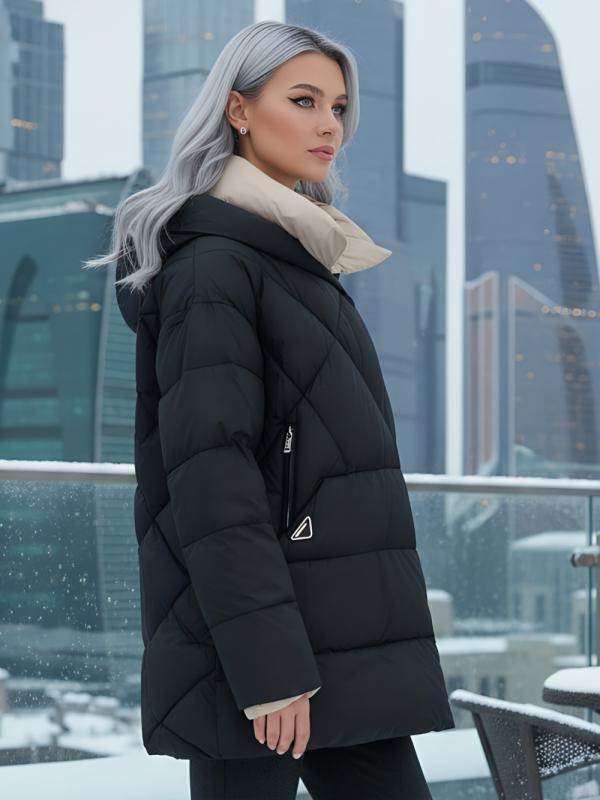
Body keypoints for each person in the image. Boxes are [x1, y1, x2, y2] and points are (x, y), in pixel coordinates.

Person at [84, 19, 455, 800]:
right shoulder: (217, 268)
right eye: (304, 100)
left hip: (333, 640)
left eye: (339, 107)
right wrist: (270, 668)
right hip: (262, 657)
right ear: (239, 109)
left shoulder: (295, 259)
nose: (330, 125)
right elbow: (211, 481)